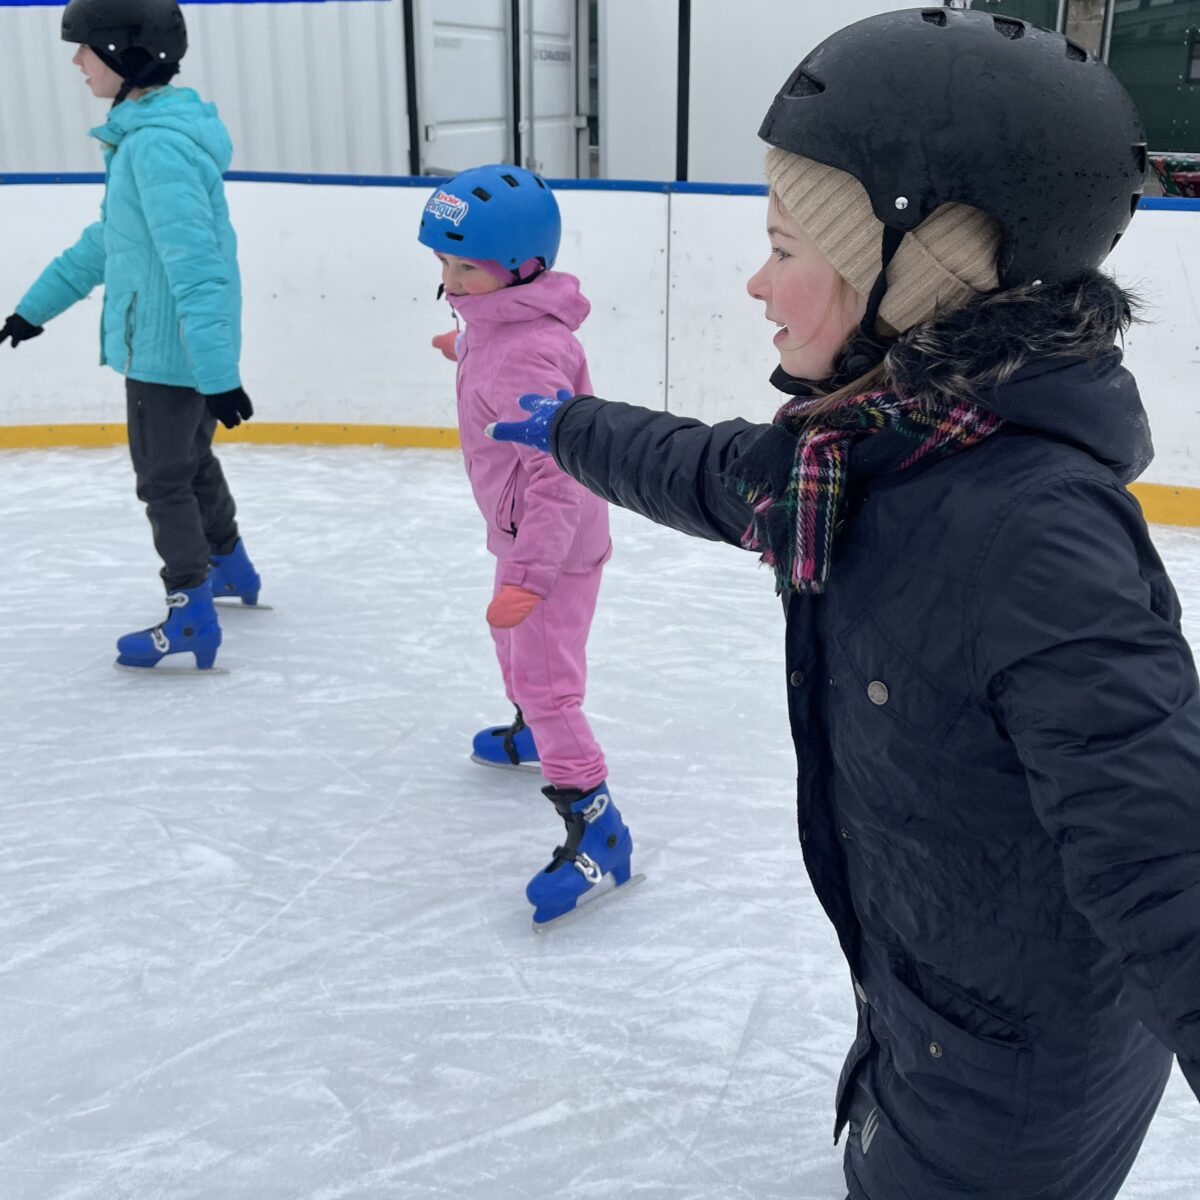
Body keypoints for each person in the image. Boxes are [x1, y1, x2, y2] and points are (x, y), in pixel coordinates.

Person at [488, 8, 1200, 1198]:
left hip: (1012, 1088)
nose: (757, 280)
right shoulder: (864, 455)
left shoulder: (1031, 532)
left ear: (924, 270)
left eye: (785, 243)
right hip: (926, 1008)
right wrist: (571, 428)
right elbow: (706, 469)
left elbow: (1162, 859)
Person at [0, 0, 261, 672]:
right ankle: (230, 567)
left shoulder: (152, 146)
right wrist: (35, 309)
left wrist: (216, 373)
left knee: (163, 480)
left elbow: (196, 267)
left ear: (123, 54)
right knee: (192, 462)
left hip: (168, 354)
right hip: (183, 351)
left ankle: (192, 613)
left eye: (86, 48)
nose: (76, 61)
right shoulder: (150, 136)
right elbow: (108, 243)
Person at [417, 165, 637, 928]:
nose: (448, 281)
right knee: (517, 655)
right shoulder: (502, 328)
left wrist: (534, 575)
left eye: (464, 267)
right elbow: (508, 353)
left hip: (551, 545)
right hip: (526, 537)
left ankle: (598, 829)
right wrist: (470, 343)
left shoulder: (523, 355)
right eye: (442, 263)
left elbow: (558, 475)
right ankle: (528, 732)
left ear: (519, 266)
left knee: (547, 681)